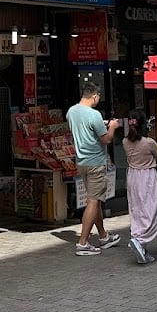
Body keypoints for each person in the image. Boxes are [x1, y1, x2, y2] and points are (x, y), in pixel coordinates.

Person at [65, 84, 121, 256]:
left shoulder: (71, 112)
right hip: (95, 162)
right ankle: (82, 243)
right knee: (93, 201)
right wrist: (112, 126)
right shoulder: (94, 114)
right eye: (99, 97)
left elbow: (83, 131)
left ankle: (103, 236)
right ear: (95, 96)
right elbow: (106, 140)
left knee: (94, 199)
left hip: (81, 161)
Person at [122, 109, 157, 265]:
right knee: (152, 211)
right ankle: (141, 240)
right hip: (147, 178)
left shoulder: (124, 142)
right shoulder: (149, 143)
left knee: (137, 210)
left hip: (132, 176)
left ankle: (139, 242)